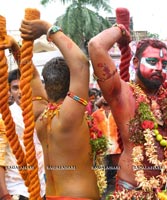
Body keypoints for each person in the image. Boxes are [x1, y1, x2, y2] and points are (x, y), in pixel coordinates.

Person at [88, 21, 167, 199]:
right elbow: (95, 46)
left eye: (164, 64)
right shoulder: (122, 94)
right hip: (134, 192)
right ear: (135, 62)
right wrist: (121, 31)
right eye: (152, 61)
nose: (159, 68)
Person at [19, 19, 102, 199]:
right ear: (72, 84)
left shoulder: (40, 115)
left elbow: (31, 75)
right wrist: (46, 28)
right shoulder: (70, 116)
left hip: (51, 196)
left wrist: (16, 48)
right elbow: (80, 64)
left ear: (46, 85)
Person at [0, 33, 46, 199]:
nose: (20, 91)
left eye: (23, 86)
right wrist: (4, 193)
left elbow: (33, 74)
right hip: (17, 188)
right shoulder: (5, 118)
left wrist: (15, 48)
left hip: (43, 184)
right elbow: (0, 157)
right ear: (9, 91)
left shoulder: (42, 111)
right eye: (15, 87)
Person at [92, 96, 122, 197]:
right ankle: (101, 192)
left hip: (116, 146)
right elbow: (93, 129)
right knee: (102, 171)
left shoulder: (117, 112)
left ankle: (118, 192)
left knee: (118, 170)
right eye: (103, 97)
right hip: (102, 147)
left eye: (106, 96)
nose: (105, 98)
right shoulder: (95, 114)